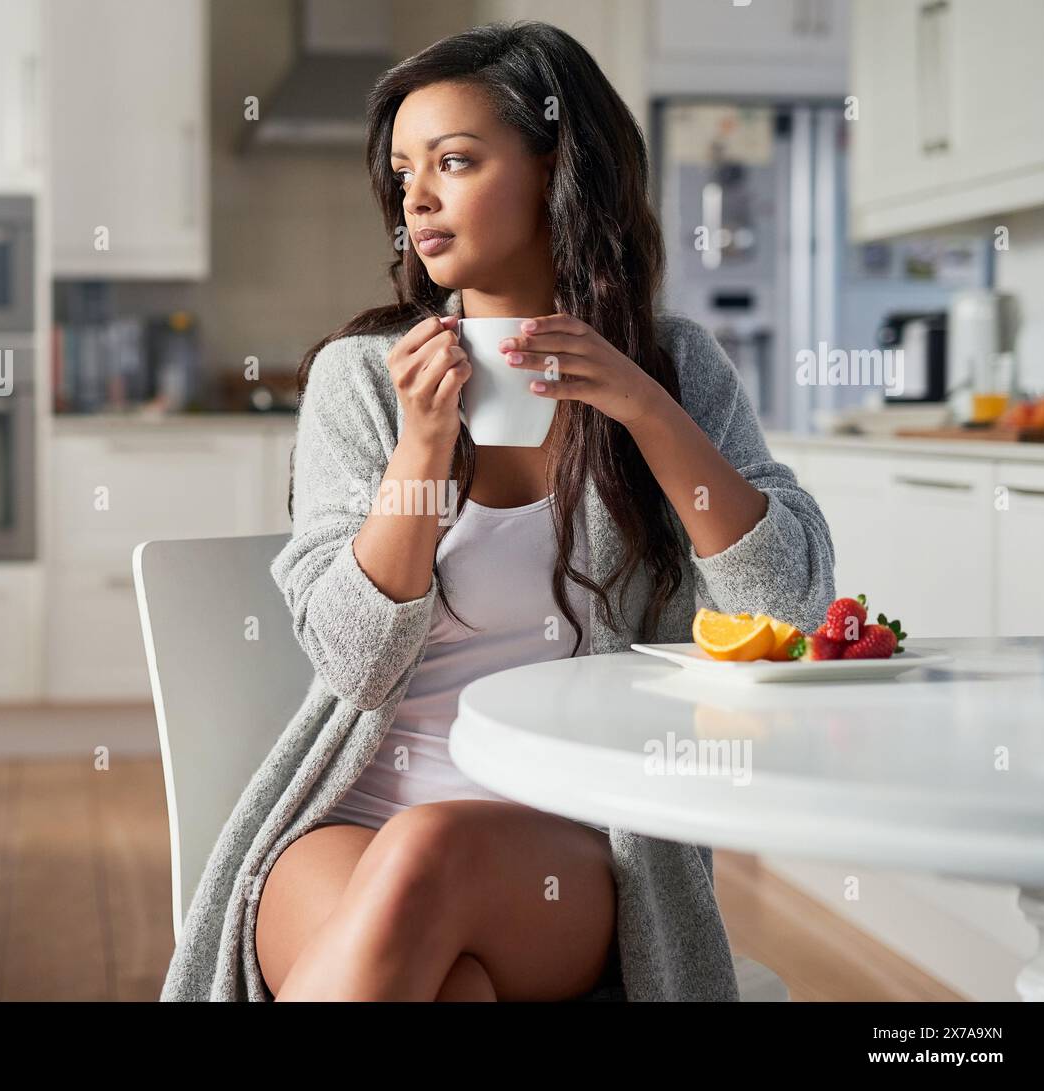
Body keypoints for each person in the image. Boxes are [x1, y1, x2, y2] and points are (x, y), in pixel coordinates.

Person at [197, 20, 834, 1003]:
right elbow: (351, 662)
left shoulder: (673, 370)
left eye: (454, 160)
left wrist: (644, 408)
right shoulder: (360, 380)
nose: (417, 195)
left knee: (431, 850)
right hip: (347, 821)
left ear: (555, 173)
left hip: (570, 843)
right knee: (443, 973)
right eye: (404, 168)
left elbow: (787, 608)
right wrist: (418, 450)